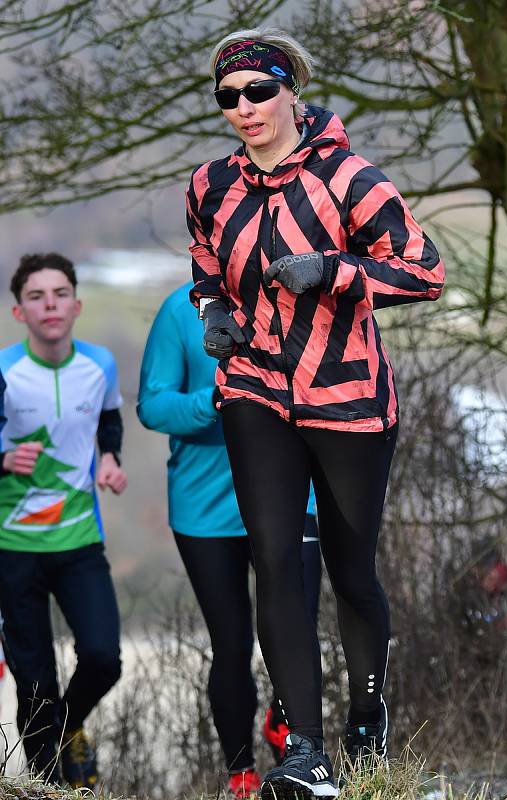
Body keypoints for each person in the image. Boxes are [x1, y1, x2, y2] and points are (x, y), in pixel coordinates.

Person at [186, 28, 445, 799]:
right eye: (228, 97)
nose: (244, 108)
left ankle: (366, 721)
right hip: (255, 391)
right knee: (273, 561)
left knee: (350, 570)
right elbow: (205, 265)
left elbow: (422, 272)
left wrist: (332, 269)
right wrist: (213, 313)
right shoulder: (208, 184)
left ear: (290, 90)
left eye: (258, 91)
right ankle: (306, 749)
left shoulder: (349, 177)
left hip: (349, 398)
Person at [137, 281, 322, 799]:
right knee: (232, 643)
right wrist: (219, 398)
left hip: (289, 492)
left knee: (300, 625)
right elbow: (153, 406)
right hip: (207, 506)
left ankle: (298, 749)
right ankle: (239, 772)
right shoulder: (179, 310)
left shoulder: (297, 296)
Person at [0, 253, 127, 789]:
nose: (49, 305)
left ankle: (70, 724)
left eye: (58, 295)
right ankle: (50, 783)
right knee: (33, 686)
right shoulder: (5, 370)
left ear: (76, 305)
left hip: (78, 539)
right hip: (14, 546)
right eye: (36, 296)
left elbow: (110, 417)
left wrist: (111, 457)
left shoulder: (99, 364)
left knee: (103, 657)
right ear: (18, 312)